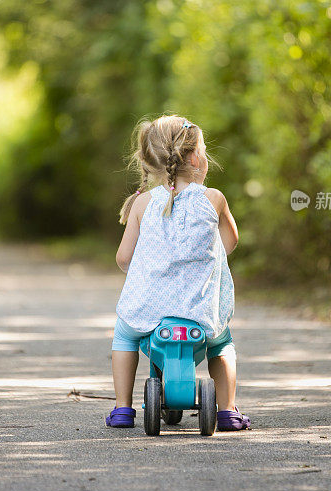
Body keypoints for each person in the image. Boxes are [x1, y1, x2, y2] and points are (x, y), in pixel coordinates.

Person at [105, 113, 251, 431]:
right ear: (197, 157)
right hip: (200, 310)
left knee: (124, 336)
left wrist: (142, 268)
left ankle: (122, 410)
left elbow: (123, 257)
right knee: (222, 344)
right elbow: (229, 243)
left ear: (151, 161)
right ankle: (227, 411)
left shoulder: (142, 204)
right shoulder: (214, 199)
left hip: (149, 310)